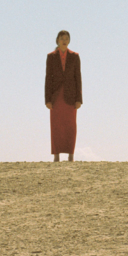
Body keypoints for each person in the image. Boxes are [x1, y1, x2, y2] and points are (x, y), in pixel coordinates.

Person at [45, 30, 83, 161]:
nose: (64, 41)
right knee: (56, 125)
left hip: (70, 96)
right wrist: (47, 99)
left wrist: (79, 99)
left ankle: (71, 154)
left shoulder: (75, 56)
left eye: (66, 38)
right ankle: (56, 155)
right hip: (56, 96)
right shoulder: (51, 57)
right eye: (62, 38)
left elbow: (78, 78)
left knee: (70, 125)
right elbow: (48, 79)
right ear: (57, 40)